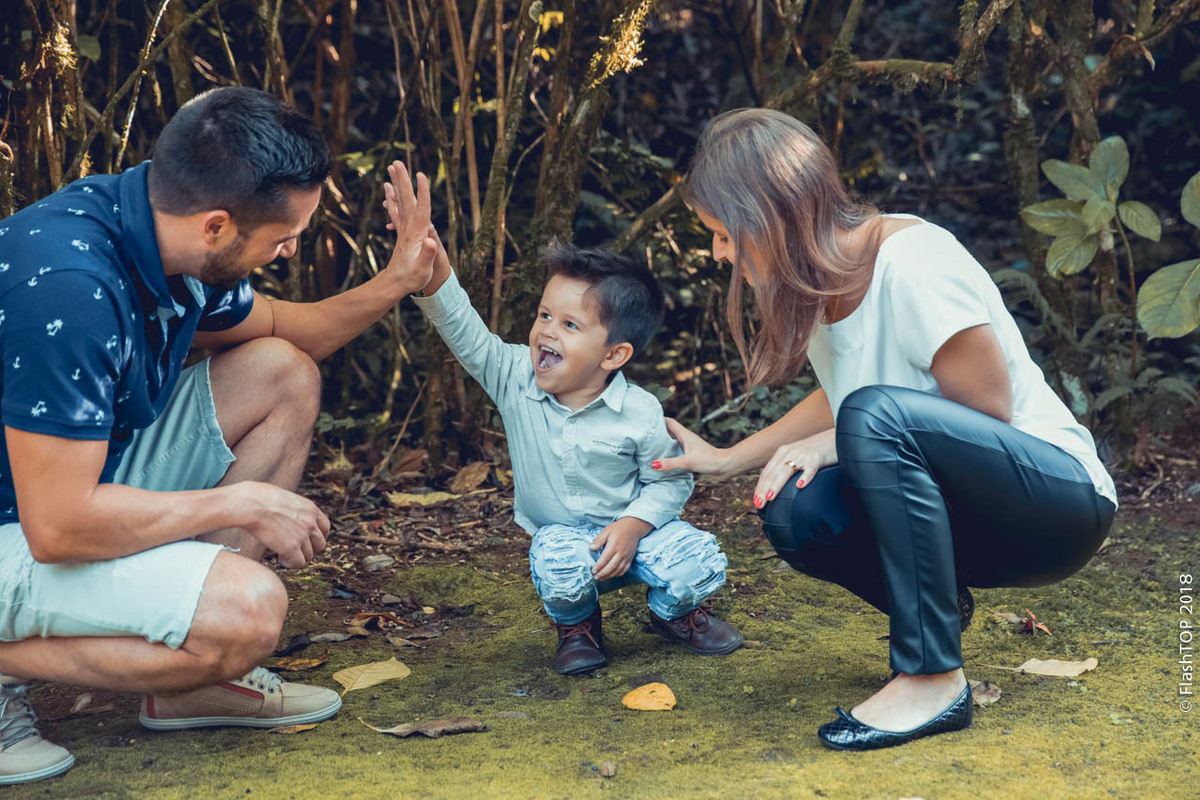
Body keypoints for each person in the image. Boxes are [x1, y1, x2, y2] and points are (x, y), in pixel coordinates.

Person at [0, 87, 439, 785]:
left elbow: (288, 331)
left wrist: (398, 281)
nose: (291, 248)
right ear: (216, 225)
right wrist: (238, 503)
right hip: (38, 517)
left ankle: (192, 680)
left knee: (282, 374)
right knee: (248, 611)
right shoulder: (69, 286)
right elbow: (57, 527)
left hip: (61, 488)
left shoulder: (159, 233)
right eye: (284, 235)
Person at [651, 108, 1117, 751]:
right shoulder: (817, 286)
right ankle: (937, 610)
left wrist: (842, 437)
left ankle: (933, 678)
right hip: (964, 513)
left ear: (768, 214)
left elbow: (985, 412)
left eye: (723, 233)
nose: (718, 252)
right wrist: (728, 458)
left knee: (869, 418)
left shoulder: (913, 260)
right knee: (795, 507)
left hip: (1057, 502)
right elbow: (844, 395)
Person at [382, 162, 742, 675]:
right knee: (555, 557)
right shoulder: (515, 378)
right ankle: (577, 626)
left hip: (638, 538)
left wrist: (633, 526)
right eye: (545, 315)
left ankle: (675, 614)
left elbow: (670, 481)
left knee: (698, 558)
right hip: (570, 543)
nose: (547, 331)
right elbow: (463, 328)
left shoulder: (639, 410)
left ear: (614, 355)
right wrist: (430, 260)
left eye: (570, 325)